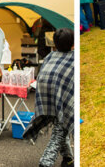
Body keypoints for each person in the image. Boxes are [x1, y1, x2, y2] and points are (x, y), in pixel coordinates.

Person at [35, 28, 75, 167]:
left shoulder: (50, 57)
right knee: (59, 132)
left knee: (60, 127)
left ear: (55, 44)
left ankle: (68, 158)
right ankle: (45, 162)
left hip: (47, 99)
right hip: (62, 102)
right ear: (72, 44)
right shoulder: (72, 59)